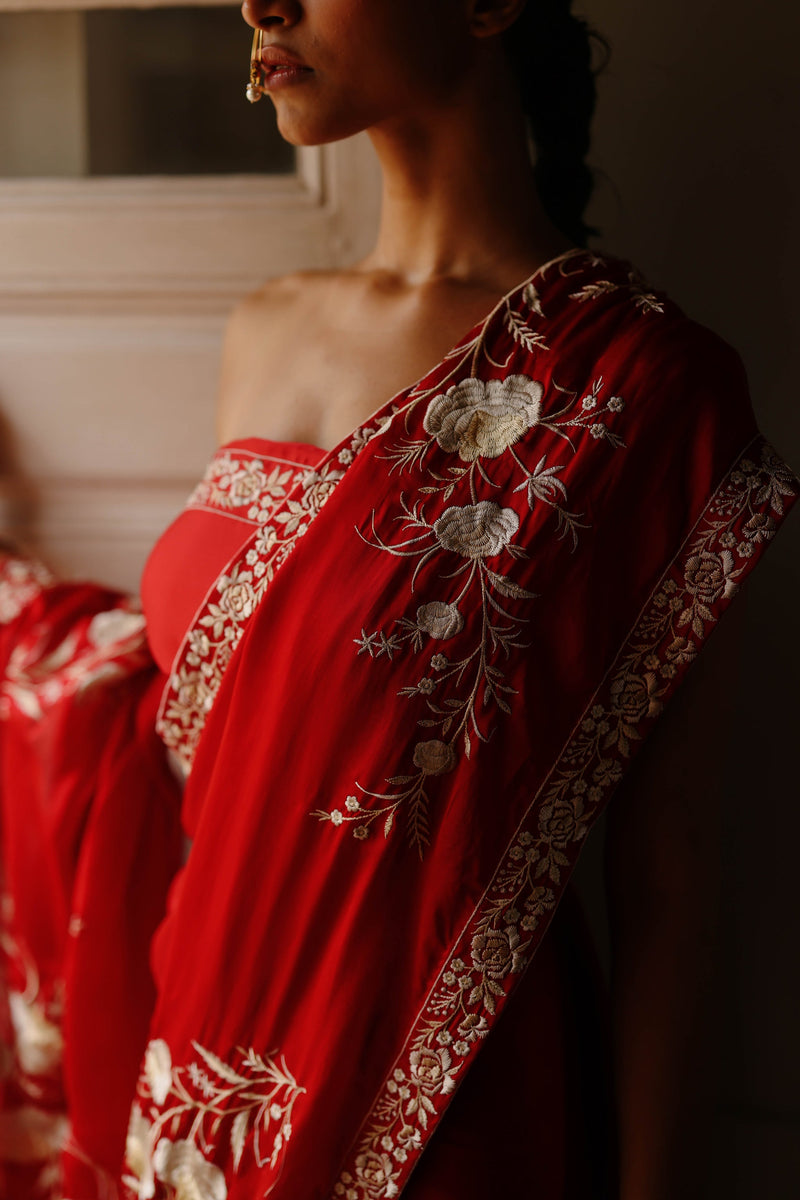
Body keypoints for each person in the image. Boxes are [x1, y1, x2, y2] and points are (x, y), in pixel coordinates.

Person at [0, 1, 796, 1198]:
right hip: (197, 1086)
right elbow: (233, 708)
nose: (259, 3)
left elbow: (667, 878)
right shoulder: (268, 330)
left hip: (441, 1113)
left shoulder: (642, 389)